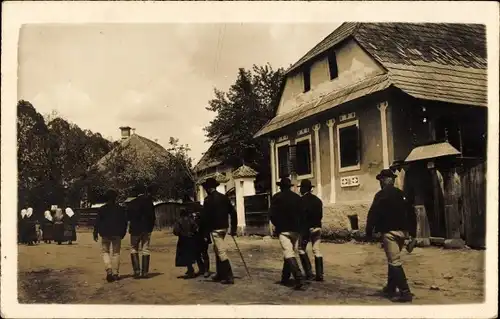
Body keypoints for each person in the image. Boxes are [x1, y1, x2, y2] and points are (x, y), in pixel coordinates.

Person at [365, 169, 417, 303]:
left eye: (381, 180)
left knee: (394, 261)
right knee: (392, 258)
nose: (380, 182)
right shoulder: (402, 194)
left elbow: (373, 214)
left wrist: (369, 232)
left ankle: (405, 292)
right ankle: (390, 287)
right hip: (403, 233)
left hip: (390, 233)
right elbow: (412, 214)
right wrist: (413, 234)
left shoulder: (381, 195)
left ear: (384, 180)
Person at [270, 177, 307, 290]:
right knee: (289, 251)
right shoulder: (297, 198)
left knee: (288, 252)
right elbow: (303, 215)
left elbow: (271, 214)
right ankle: (285, 277)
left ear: (280, 187)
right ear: (289, 186)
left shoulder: (276, 197)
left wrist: (276, 224)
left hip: (283, 230)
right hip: (296, 230)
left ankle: (298, 277)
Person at [200, 177, 237, 285]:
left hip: (215, 229)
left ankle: (229, 276)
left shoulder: (208, 200)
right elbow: (233, 212)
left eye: (206, 188)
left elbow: (205, 218)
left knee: (221, 251)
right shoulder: (224, 198)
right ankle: (220, 274)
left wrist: (205, 233)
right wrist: (233, 228)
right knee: (217, 249)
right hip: (224, 228)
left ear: (208, 188)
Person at [93, 189, 128, 283]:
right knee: (116, 253)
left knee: (105, 252)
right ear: (115, 198)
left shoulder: (102, 209)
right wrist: (123, 232)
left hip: (105, 233)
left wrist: (95, 232)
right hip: (117, 233)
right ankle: (116, 273)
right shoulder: (120, 209)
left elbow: (97, 222)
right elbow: (124, 222)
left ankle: (109, 269)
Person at [127, 185, 156, 279]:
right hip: (146, 229)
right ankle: (145, 272)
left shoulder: (132, 203)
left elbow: (129, 217)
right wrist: (150, 228)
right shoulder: (149, 202)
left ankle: (136, 271)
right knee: (145, 249)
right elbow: (153, 217)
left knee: (133, 248)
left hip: (135, 229)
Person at [297, 179, 324, 282]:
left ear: (303, 189)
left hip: (307, 229)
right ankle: (320, 275)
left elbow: (302, 217)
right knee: (316, 250)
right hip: (317, 227)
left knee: (301, 249)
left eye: (301, 188)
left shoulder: (301, 201)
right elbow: (320, 215)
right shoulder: (318, 200)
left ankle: (309, 273)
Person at [173, 207, 199, 278]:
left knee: (185, 255)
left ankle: (190, 270)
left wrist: (182, 233)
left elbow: (176, 231)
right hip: (191, 239)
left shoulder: (179, 221)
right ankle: (190, 269)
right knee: (190, 255)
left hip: (183, 240)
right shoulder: (191, 220)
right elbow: (196, 228)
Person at [192, 208, 211, 278]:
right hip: (196, 240)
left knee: (204, 255)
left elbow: (207, 229)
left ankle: (206, 270)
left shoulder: (204, 220)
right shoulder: (193, 220)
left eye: (195, 215)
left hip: (203, 239)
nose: (194, 216)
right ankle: (201, 269)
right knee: (197, 255)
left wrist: (206, 237)